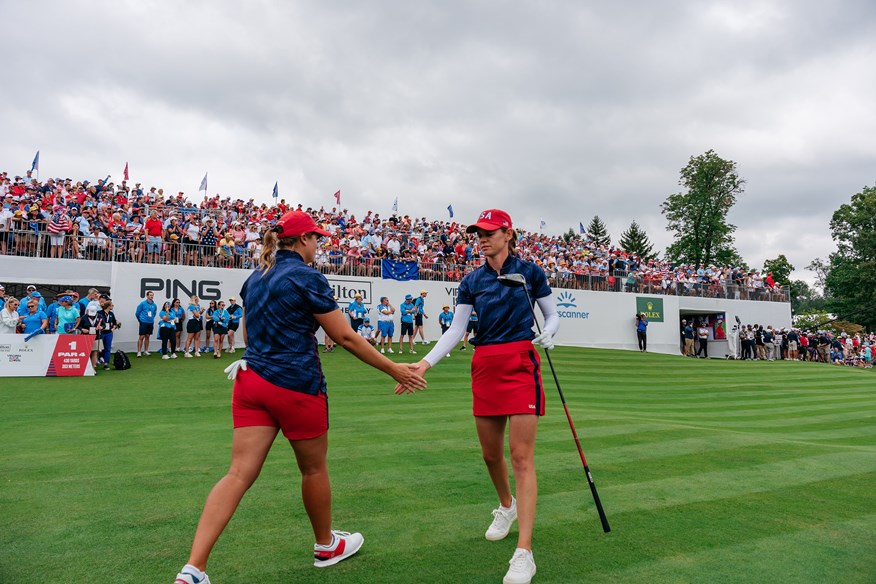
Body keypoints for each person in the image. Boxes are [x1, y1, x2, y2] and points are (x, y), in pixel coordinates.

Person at [173, 210, 427, 584]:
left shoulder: (255, 276)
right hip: (295, 385)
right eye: (316, 239)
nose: (318, 245)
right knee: (313, 468)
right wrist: (395, 368)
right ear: (304, 240)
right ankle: (325, 546)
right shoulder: (308, 276)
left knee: (237, 474)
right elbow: (344, 336)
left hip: (250, 380)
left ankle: (193, 569)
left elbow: (248, 329)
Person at [401, 209, 558, 584]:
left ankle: (524, 552)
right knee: (491, 454)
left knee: (521, 457)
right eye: (478, 234)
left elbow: (551, 314)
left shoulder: (530, 272)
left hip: (520, 361)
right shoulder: (472, 279)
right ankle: (507, 506)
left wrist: (550, 331)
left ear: (508, 233)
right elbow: (456, 329)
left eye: (489, 232)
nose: (482, 238)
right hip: (485, 362)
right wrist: (424, 364)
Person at [78, 304, 106, 371]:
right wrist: (82, 330)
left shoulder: (100, 317)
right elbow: (79, 326)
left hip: (96, 337)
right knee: (86, 352)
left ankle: (93, 367)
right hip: (86, 336)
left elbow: (104, 325)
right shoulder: (84, 317)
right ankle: (85, 367)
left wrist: (101, 327)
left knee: (95, 352)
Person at [99, 300, 120, 370]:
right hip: (101, 332)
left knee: (107, 348)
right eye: (112, 305)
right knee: (99, 348)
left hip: (108, 333)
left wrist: (113, 328)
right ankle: (96, 361)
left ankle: (106, 363)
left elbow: (114, 322)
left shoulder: (111, 314)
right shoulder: (99, 313)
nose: (113, 306)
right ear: (108, 306)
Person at [135, 291, 157, 357]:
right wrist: (140, 320)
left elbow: (154, 313)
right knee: (141, 337)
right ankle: (139, 352)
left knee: (147, 336)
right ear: (147, 296)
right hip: (143, 322)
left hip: (150, 322)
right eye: (150, 295)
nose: (151, 296)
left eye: (152, 295)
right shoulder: (142, 304)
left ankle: (146, 351)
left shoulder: (154, 305)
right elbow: (137, 313)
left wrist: (151, 318)